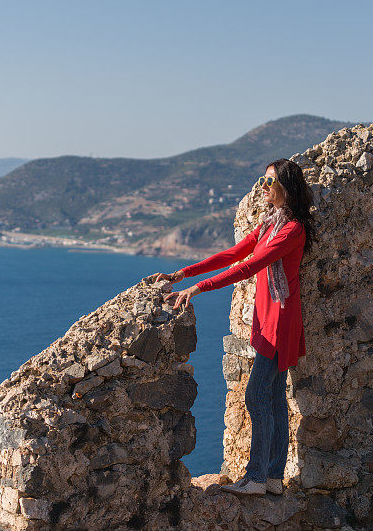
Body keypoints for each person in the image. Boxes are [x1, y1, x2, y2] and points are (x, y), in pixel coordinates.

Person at [146, 158, 316, 496]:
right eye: (263, 181)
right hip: (270, 319)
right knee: (274, 400)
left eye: (270, 182)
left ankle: (256, 478)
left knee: (256, 397)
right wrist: (185, 273)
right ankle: (272, 479)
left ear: (286, 187)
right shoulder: (271, 224)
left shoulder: (292, 230)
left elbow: (249, 266)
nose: (264, 187)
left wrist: (197, 289)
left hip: (280, 322)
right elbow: (235, 253)